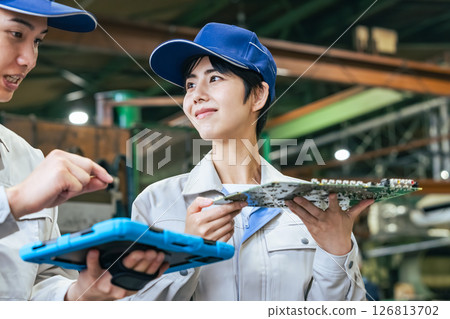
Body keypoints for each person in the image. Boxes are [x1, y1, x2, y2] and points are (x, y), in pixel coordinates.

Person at [126, 22, 374, 301]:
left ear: (258, 95)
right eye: (190, 84)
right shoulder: (156, 204)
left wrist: (337, 252)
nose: (196, 95)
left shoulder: (315, 205)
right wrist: (186, 254)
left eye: (215, 78)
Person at [0, 0, 167, 301]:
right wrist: (15, 201)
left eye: (37, 41)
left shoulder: (27, 159)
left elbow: (41, 279)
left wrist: (78, 293)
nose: (29, 59)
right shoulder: (32, 180)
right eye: (15, 34)